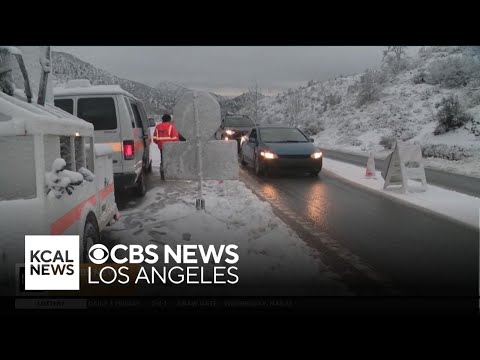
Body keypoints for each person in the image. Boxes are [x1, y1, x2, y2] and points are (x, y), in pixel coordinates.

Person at [152, 114, 179, 179]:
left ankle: (163, 174)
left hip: (162, 147)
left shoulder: (158, 127)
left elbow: (155, 138)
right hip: (170, 147)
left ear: (162, 119)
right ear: (169, 120)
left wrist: (160, 144)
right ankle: (170, 174)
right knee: (171, 160)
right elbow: (175, 138)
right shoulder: (171, 126)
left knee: (163, 160)